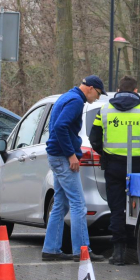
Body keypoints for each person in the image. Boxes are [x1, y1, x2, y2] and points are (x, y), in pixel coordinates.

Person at [89, 76, 140, 266]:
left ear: (118, 90)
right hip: (138, 166)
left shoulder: (104, 109)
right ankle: (136, 250)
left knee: (116, 208)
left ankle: (118, 254)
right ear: (136, 91)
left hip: (113, 166)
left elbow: (94, 138)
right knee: (138, 207)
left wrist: (104, 154)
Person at [42, 76, 106, 262]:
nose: (97, 98)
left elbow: (60, 127)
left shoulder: (67, 96)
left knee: (61, 204)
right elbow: (61, 127)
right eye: (98, 94)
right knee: (79, 204)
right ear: (91, 88)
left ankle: (51, 249)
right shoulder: (76, 101)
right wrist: (71, 154)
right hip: (62, 157)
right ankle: (82, 251)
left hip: (56, 155)